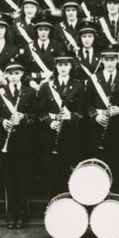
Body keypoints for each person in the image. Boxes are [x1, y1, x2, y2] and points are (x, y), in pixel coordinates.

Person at [37, 55, 89, 200]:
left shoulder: (78, 86)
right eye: (60, 65)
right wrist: (50, 122)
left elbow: (82, 111)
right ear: (56, 67)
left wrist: (70, 116)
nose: (63, 68)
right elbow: (40, 111)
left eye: (66, 65)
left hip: (70, 134)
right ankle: (52, 202)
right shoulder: (47, 86)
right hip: (51, 134)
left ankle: (69, 202)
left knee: (68, 170)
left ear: (71, 67)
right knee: (51, 171)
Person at [0, 61, 36, 229]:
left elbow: (36, 114)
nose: (14, 76)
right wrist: (2, 122)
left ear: (21, 74)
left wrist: (24, 118)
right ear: (6, 75)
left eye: (17, 73)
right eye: (10, 73)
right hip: (5, 142)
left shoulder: (29, 92)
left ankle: (23, 215)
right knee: (9, 181)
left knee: (23, 180)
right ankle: (11, 215)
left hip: (23, 142)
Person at [87, 49, 119, 193]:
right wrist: (95, 115)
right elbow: (86, 104)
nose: (110, 63)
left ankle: (117, 197)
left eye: (113, 59)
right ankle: (99, 195)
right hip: (98, 128)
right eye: (107, 60)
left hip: (118, 129)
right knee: (99, 166)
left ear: (117, 60)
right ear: (102, 61)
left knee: (118, 166)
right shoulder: (94, 78)